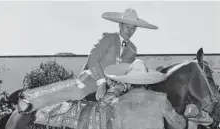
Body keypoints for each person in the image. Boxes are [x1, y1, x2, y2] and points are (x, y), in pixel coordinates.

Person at [17, 9, 158, 115]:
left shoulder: (133, 49)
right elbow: (93, 59)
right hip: (94, 77)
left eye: (133, 28)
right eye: (127, 26)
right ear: (120, 25)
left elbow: (127, 72)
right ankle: (31, 102)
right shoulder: (108, 38)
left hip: (114, 86)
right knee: (76, 92)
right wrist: (102, 83)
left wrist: (121, 86)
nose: (130, 30)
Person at [104, 59, 187, 129]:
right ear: (147, 83)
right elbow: (180, 125)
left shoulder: (118, 103)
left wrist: (108, 120)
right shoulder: (161, 98)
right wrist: (184, 117)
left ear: (128, 83)